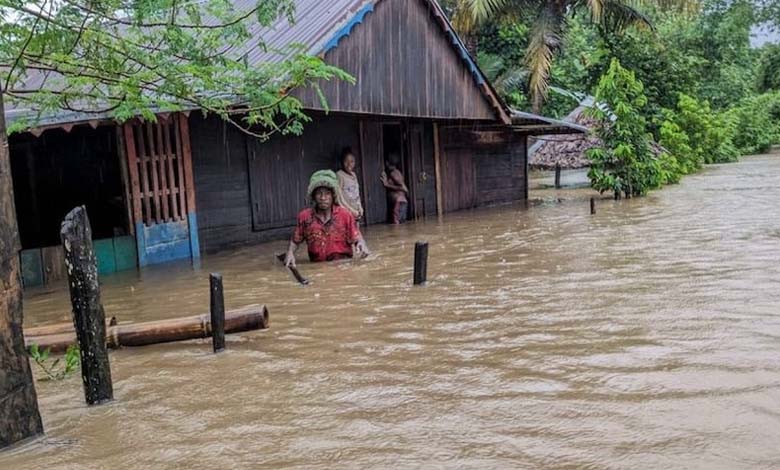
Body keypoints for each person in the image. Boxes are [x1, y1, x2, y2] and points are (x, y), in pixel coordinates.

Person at [284, 170, 370, 267]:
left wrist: (362, 245)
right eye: (319, 193)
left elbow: (357, 237)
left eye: (327, 193)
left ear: (333, 196)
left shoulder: (345, 215)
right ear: (313, 196)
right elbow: (295, 240)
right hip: (317, 268)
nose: (323, 198)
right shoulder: (305, 217)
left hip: (344, 267)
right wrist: (290, 253)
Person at [336, 147, 364, 221]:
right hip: (346, 213)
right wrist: (350, 210)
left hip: (356, 212)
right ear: (342, 162)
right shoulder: (339, 175)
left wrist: (360, 207)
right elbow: (339, 197)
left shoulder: (354, 175)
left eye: (352, 161)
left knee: (357, 232)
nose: (349, 164)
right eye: (346, 161)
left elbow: (357, 193)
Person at [380, 155, 408, 224]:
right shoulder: (395, 172)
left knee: (397, 226)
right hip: (400, 202)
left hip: (399, 203)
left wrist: (387, 185)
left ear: (387, 163)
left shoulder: (394, 173)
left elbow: (404, 188)